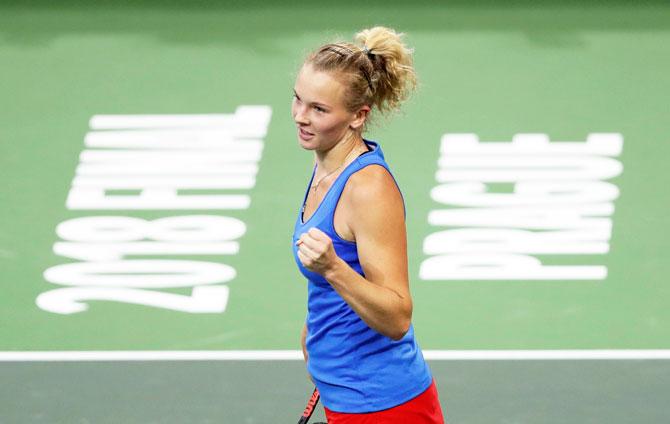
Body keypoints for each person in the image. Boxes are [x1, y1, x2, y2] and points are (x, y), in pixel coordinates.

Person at [291, 26, 445, 423]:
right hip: (344, 393)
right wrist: (317, 331)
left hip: (385, 406)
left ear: (359, 116)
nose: (301, 117)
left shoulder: (369, 189)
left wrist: (333, 269)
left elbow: (397, 317)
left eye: (319, 110)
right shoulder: (324, 162)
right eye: (298, 100)